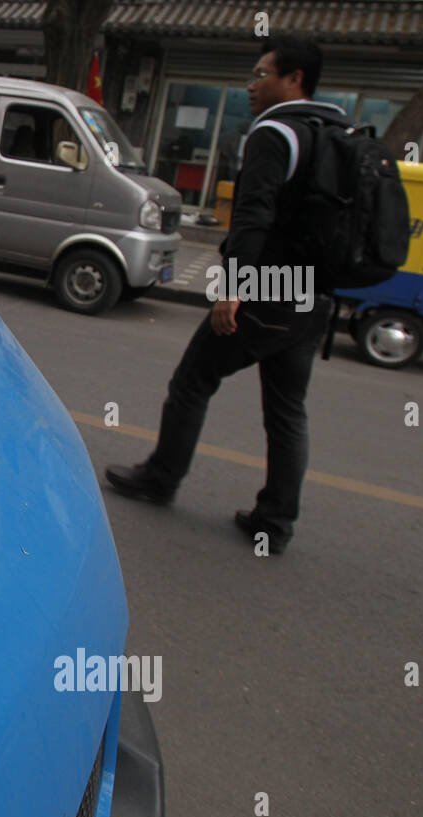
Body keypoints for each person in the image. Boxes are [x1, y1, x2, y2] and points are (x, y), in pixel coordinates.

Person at [105, 36, 342, 554]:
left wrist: (233, 289)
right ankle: (274, 522)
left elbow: (253, 215)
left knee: (193, 380)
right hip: (316, 293)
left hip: (272, 287)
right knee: (287, 411)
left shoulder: (276, 132)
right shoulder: (333, 129)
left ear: (294, 78)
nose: (251, 86)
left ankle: (161, 478)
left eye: (261, 75)